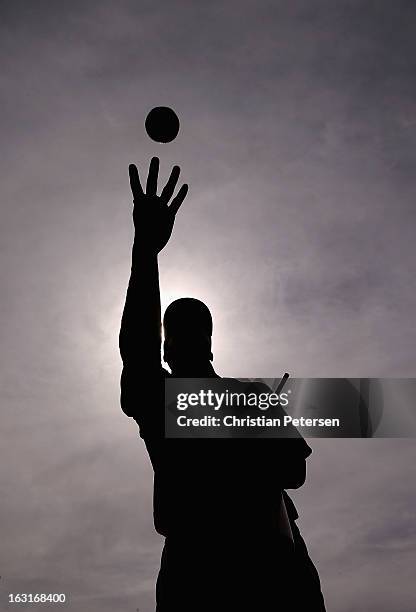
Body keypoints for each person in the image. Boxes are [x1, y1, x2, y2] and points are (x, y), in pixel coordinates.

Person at [119, 157, 326, 611]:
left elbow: (295, 470)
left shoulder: (250, 397)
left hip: (276, 570)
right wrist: (145, 251)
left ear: (207, 342)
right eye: (171, 331)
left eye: (187, 331)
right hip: (199, 575)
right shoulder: (167, 401)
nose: (177, 341)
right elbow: (135, 352)